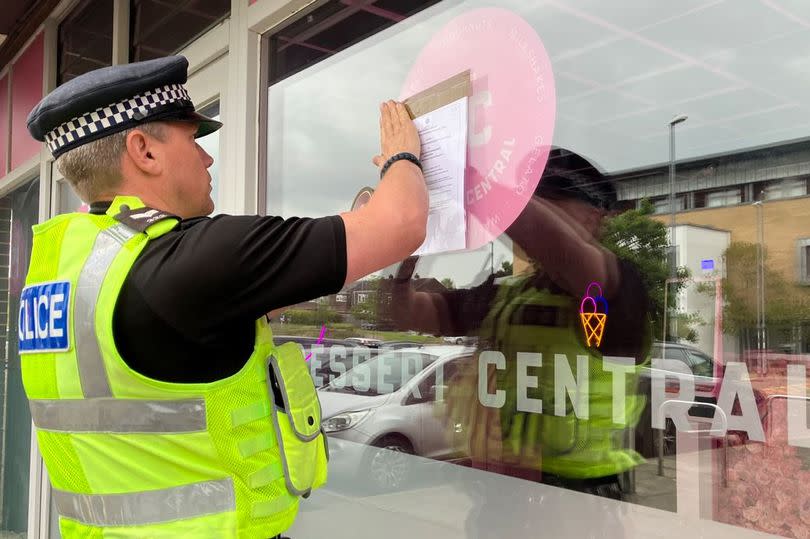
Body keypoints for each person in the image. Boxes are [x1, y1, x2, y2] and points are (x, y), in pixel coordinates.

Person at [19, 55, 427, 538]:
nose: (207, 158)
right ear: (144, 151)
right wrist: (403, 156)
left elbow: (231, 308)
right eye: (194, 139)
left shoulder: (64, 277)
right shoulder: (195, 260)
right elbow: (401, 223)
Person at [384, 148, 653, 535]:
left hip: (580, 498)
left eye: (550, 203)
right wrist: (404, 261)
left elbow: (558, 247)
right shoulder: (505, 291)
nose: (526, 215)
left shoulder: (616, 284)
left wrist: (476, 180)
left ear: (594, 217)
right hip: (502, 491)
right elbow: (410, 313)